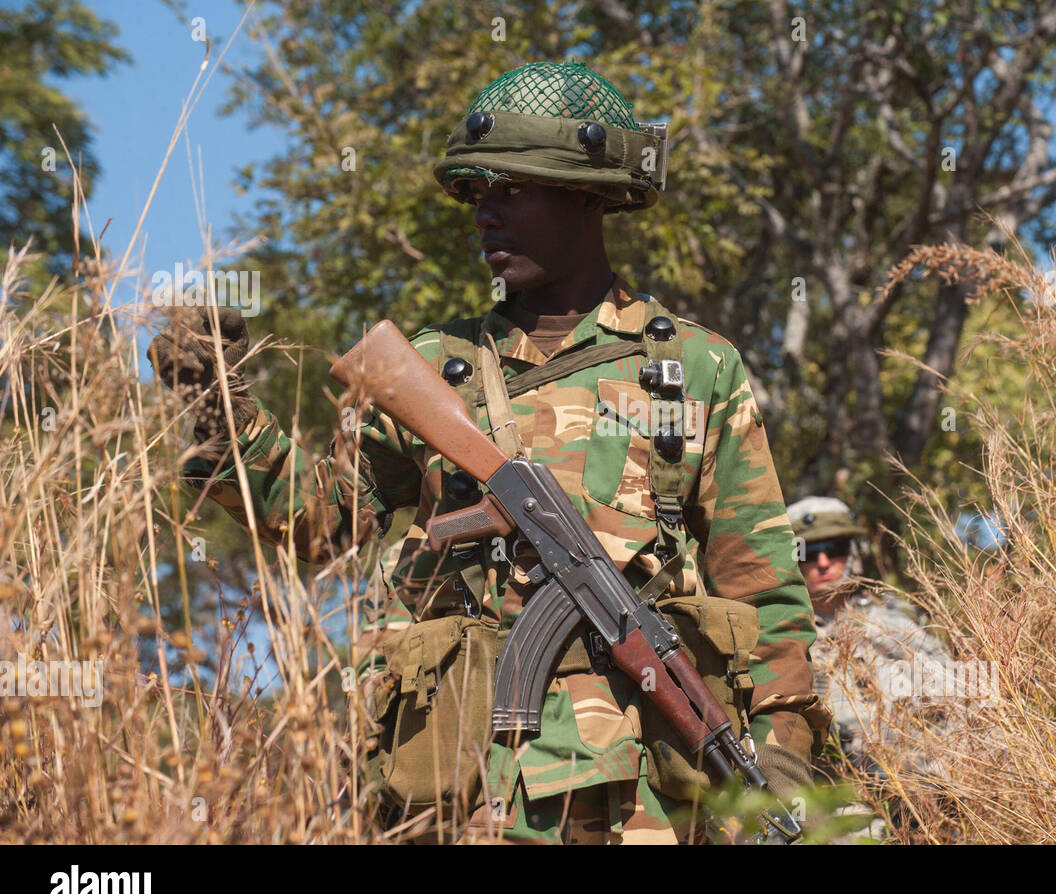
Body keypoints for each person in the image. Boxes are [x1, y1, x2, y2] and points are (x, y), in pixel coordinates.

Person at [149, 61, 827, 844]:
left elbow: (769, 598)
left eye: (512, 190)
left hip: (643, 802)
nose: (485, 216)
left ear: (586, 193)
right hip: (460, 793)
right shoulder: (436, 369)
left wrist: (780, 777)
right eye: (477, 194)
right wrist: (215, 405)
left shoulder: (698, 370)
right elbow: (318, 521)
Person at [788, 496, 953, 781]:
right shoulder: (781, 637)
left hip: (917, 793)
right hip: (829, 803)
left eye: (834, 549)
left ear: (854, 551)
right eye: (808, 553)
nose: (823, 563)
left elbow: (953, 703)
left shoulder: (898, 625)